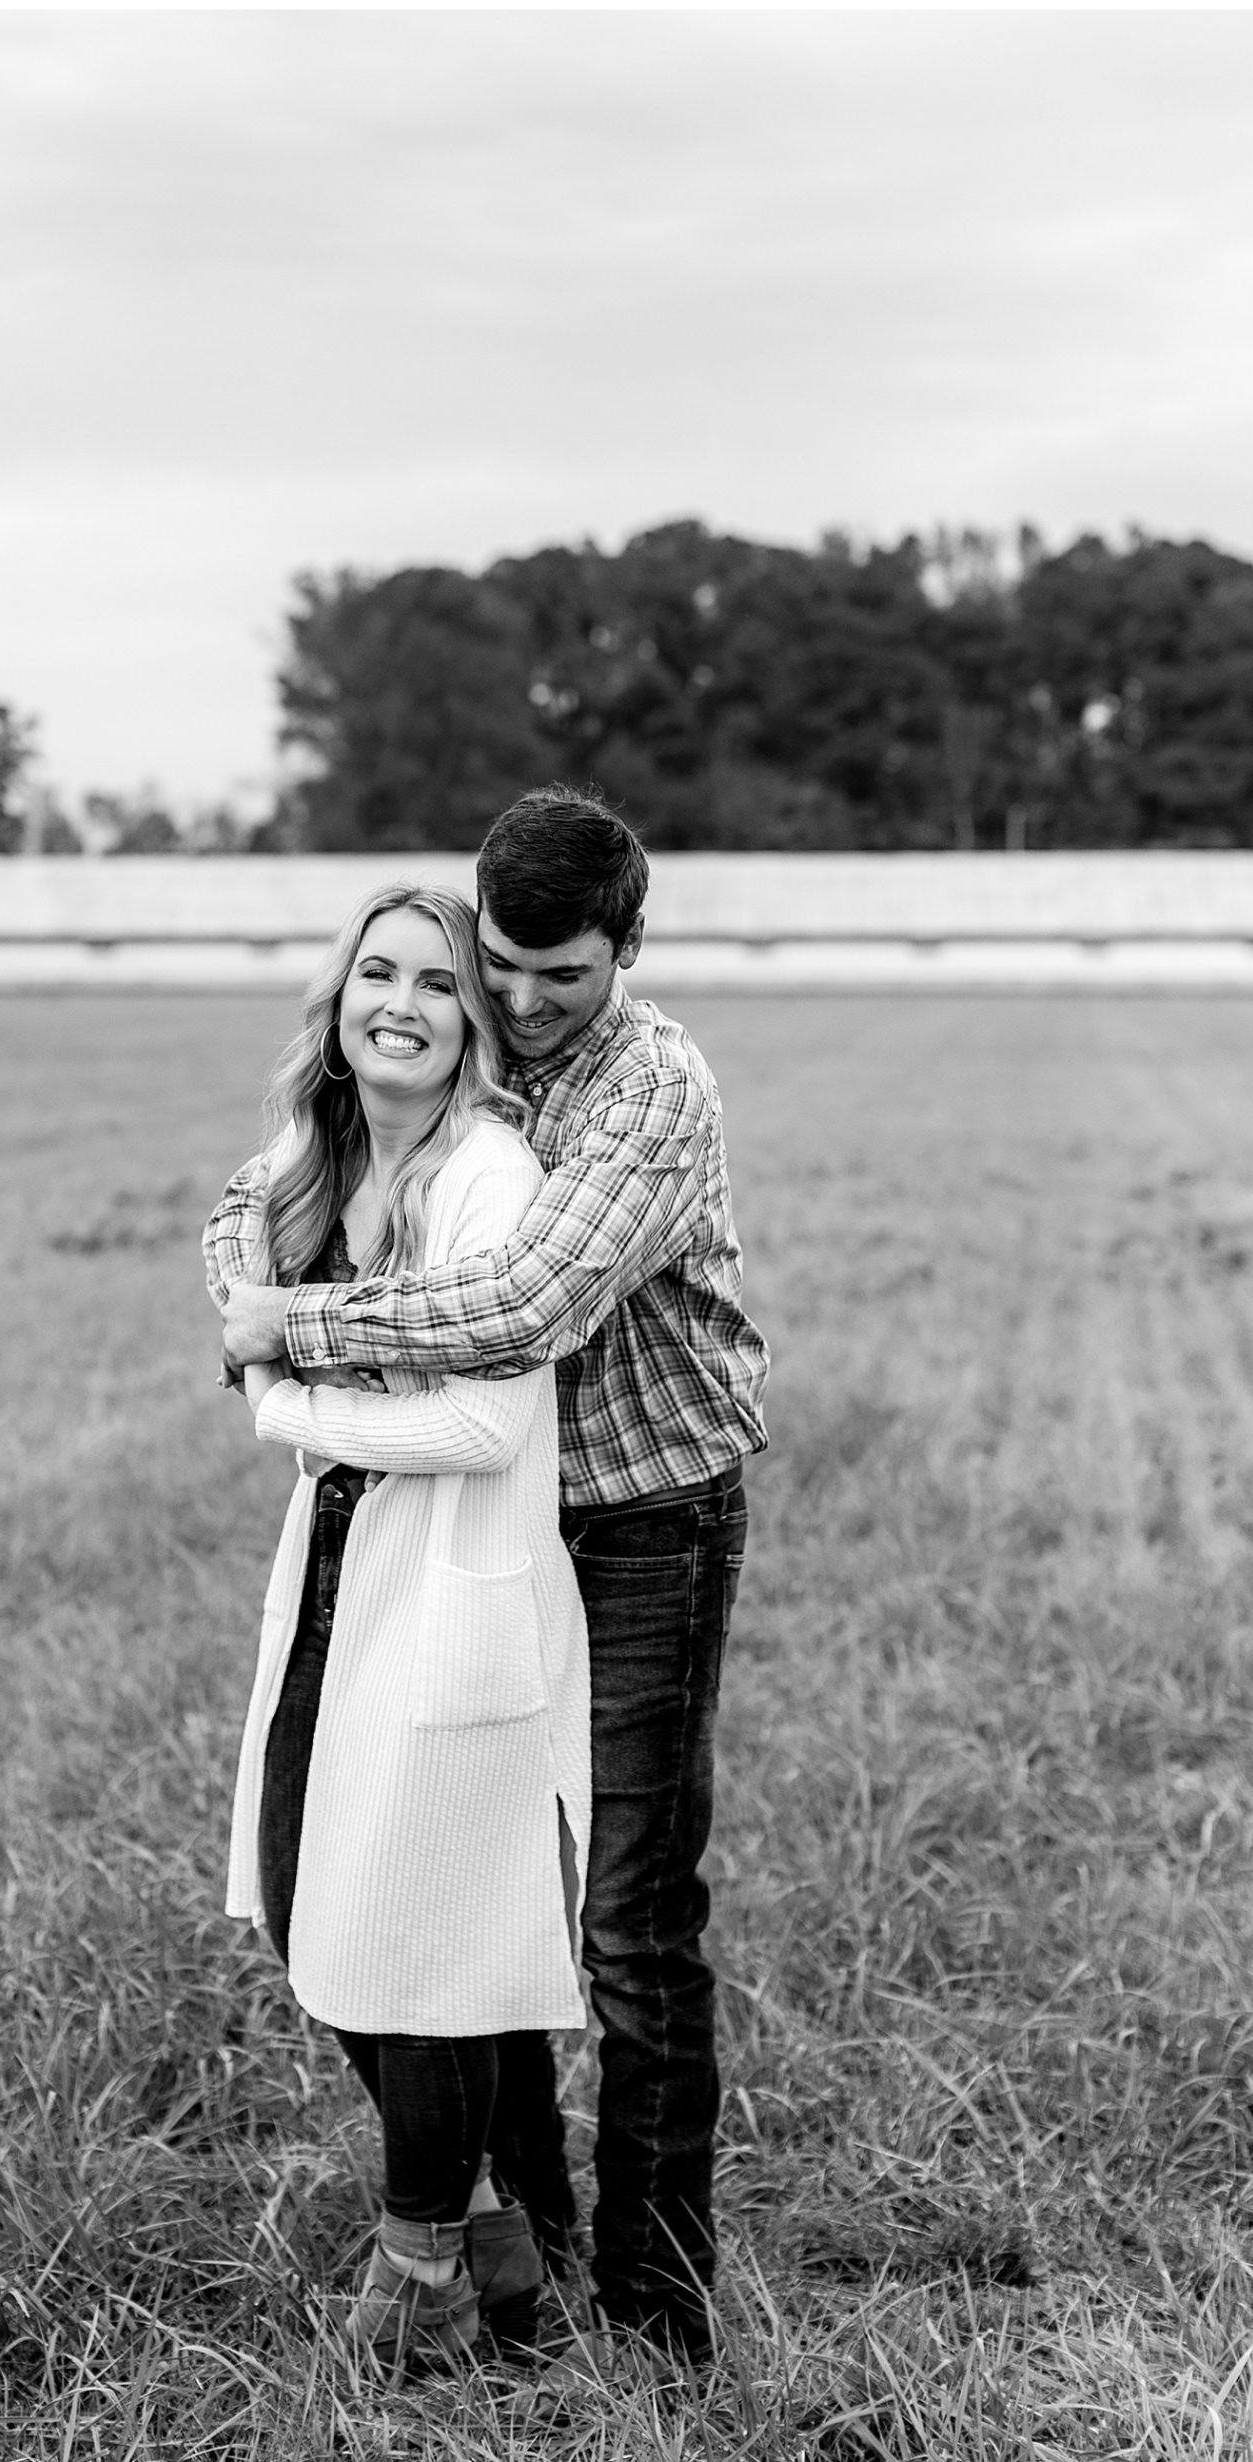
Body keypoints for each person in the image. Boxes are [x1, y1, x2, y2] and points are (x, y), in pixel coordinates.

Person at [216, 785, 769, 2374]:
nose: (521, 1007)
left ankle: (659, 2316)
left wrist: (288, 1341)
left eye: (562, 978)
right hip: (493, 1527)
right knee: (477, 1883)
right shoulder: (465, 1047)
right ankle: (528, 2233)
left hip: (647, 1513)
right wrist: (238, 1278)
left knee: (630, 1923)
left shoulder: (648, 1083)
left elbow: (524, 1304)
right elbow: (263, 1189)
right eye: (501, 969)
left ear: (627, 951)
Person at [204, 882, 591, 2375]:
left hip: (449, 1585)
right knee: (315, 1911)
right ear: (340, 992)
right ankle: (503, 2232)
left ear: (475, 1022)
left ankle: (420, 2258)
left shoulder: (487, 1173)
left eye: (440, 984)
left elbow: (489, 1427)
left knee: (413, 1947)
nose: (404, 1005)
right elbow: (228, 1248)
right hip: (334, 1576)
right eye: (380, 972)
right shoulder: (314, 1163)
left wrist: (284, 1400)